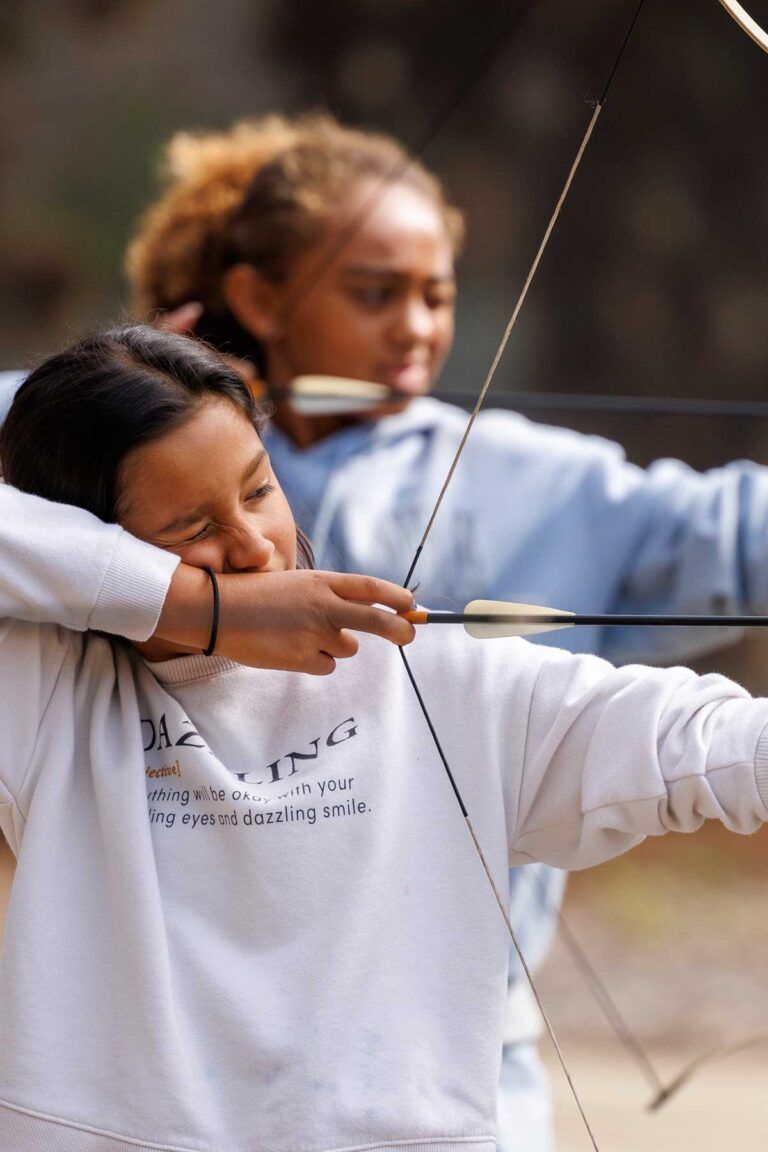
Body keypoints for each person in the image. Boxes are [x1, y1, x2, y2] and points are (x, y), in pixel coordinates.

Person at [120, 112, 768, 1151]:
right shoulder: (118, 465)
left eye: (437, 295)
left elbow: (734, 537)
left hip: (457, 1063)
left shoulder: (536, 481)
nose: (416, 327)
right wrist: (118, 393)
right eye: (375, 293)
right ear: (258, 300)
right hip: (176, 1052)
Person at [1, 323, 768, 1152]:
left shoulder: (441, 682)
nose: (255, 544)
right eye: (192, 528)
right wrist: (202, 608)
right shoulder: (43, 690)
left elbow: (709, 743)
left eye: (258, 490)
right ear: (88, 542)